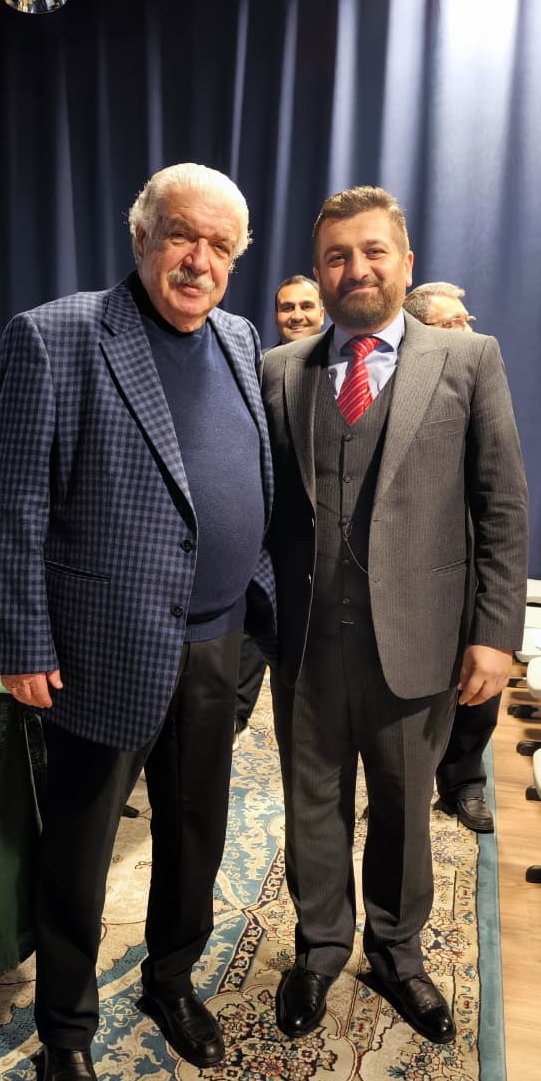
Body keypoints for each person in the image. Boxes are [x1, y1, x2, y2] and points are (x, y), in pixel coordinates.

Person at [0, 163, 276, 1081]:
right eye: (182, 235)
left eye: (220, 245)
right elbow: (9, 504)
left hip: (218, 639)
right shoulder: (55, 336)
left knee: (196, 831)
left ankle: (170, 979)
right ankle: (65, 1032)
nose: (200, 260)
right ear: (141, 236)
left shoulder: (240, 338)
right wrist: (22, 637)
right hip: (101, 648)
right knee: (79, 851)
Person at [261, 186, 527, 1045]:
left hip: (420, 640)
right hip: (307, 643)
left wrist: (495, 634)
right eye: (337, 256)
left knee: (406, 809)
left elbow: (502, 506)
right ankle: (318, 949)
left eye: (373, 251)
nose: (356, 269)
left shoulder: (469, 359)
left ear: (405, 263)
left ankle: (398, 955)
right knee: (312, 805)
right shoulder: (280, 371)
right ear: (319, 271)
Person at [403, 281, 496, 833]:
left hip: (471, 554)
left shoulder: (481, 373)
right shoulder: (394, 380)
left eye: (467, 319)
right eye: (451, 323)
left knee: (477, 676)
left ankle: (465, 784)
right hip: (413, 562)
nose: (465, 330)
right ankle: (407, 785)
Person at [234, 275, 326, 744]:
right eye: (287, 307)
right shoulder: (261, 369)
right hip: (269, 529)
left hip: (328, 536)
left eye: (306, 305)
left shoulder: (347, 368)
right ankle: (234, 719)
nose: (297, 315)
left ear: (323, 310)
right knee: (255, 626)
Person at [274, 274, 325, 344]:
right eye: (288, 308)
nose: (297, 317)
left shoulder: (336, 351)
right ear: (276, 317)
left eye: (306, 307)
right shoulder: (263, 353)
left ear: (322, 315)